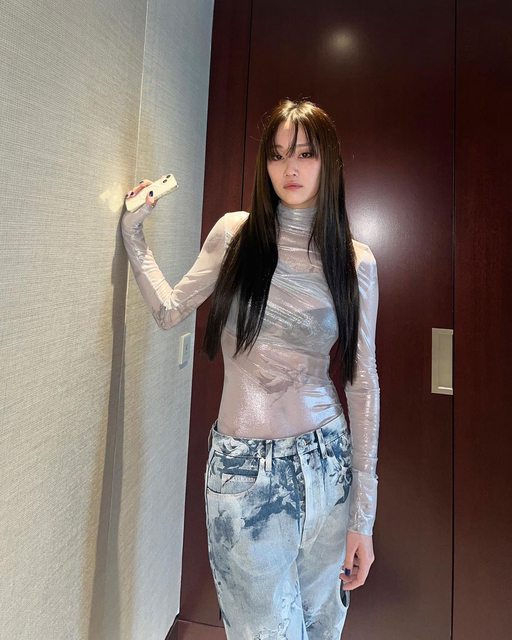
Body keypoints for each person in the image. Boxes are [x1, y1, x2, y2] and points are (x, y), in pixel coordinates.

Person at [122, 99, 380, 640]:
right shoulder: (234, 235)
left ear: (328, 162)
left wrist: (364, 516)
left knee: (322, 627)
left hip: (327, 466)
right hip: (244, 473)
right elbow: (170, 311)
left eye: (305, 154)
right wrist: (134, 233)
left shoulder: (355, 261)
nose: (290, 168)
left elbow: (362, 383)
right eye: (278, 154)